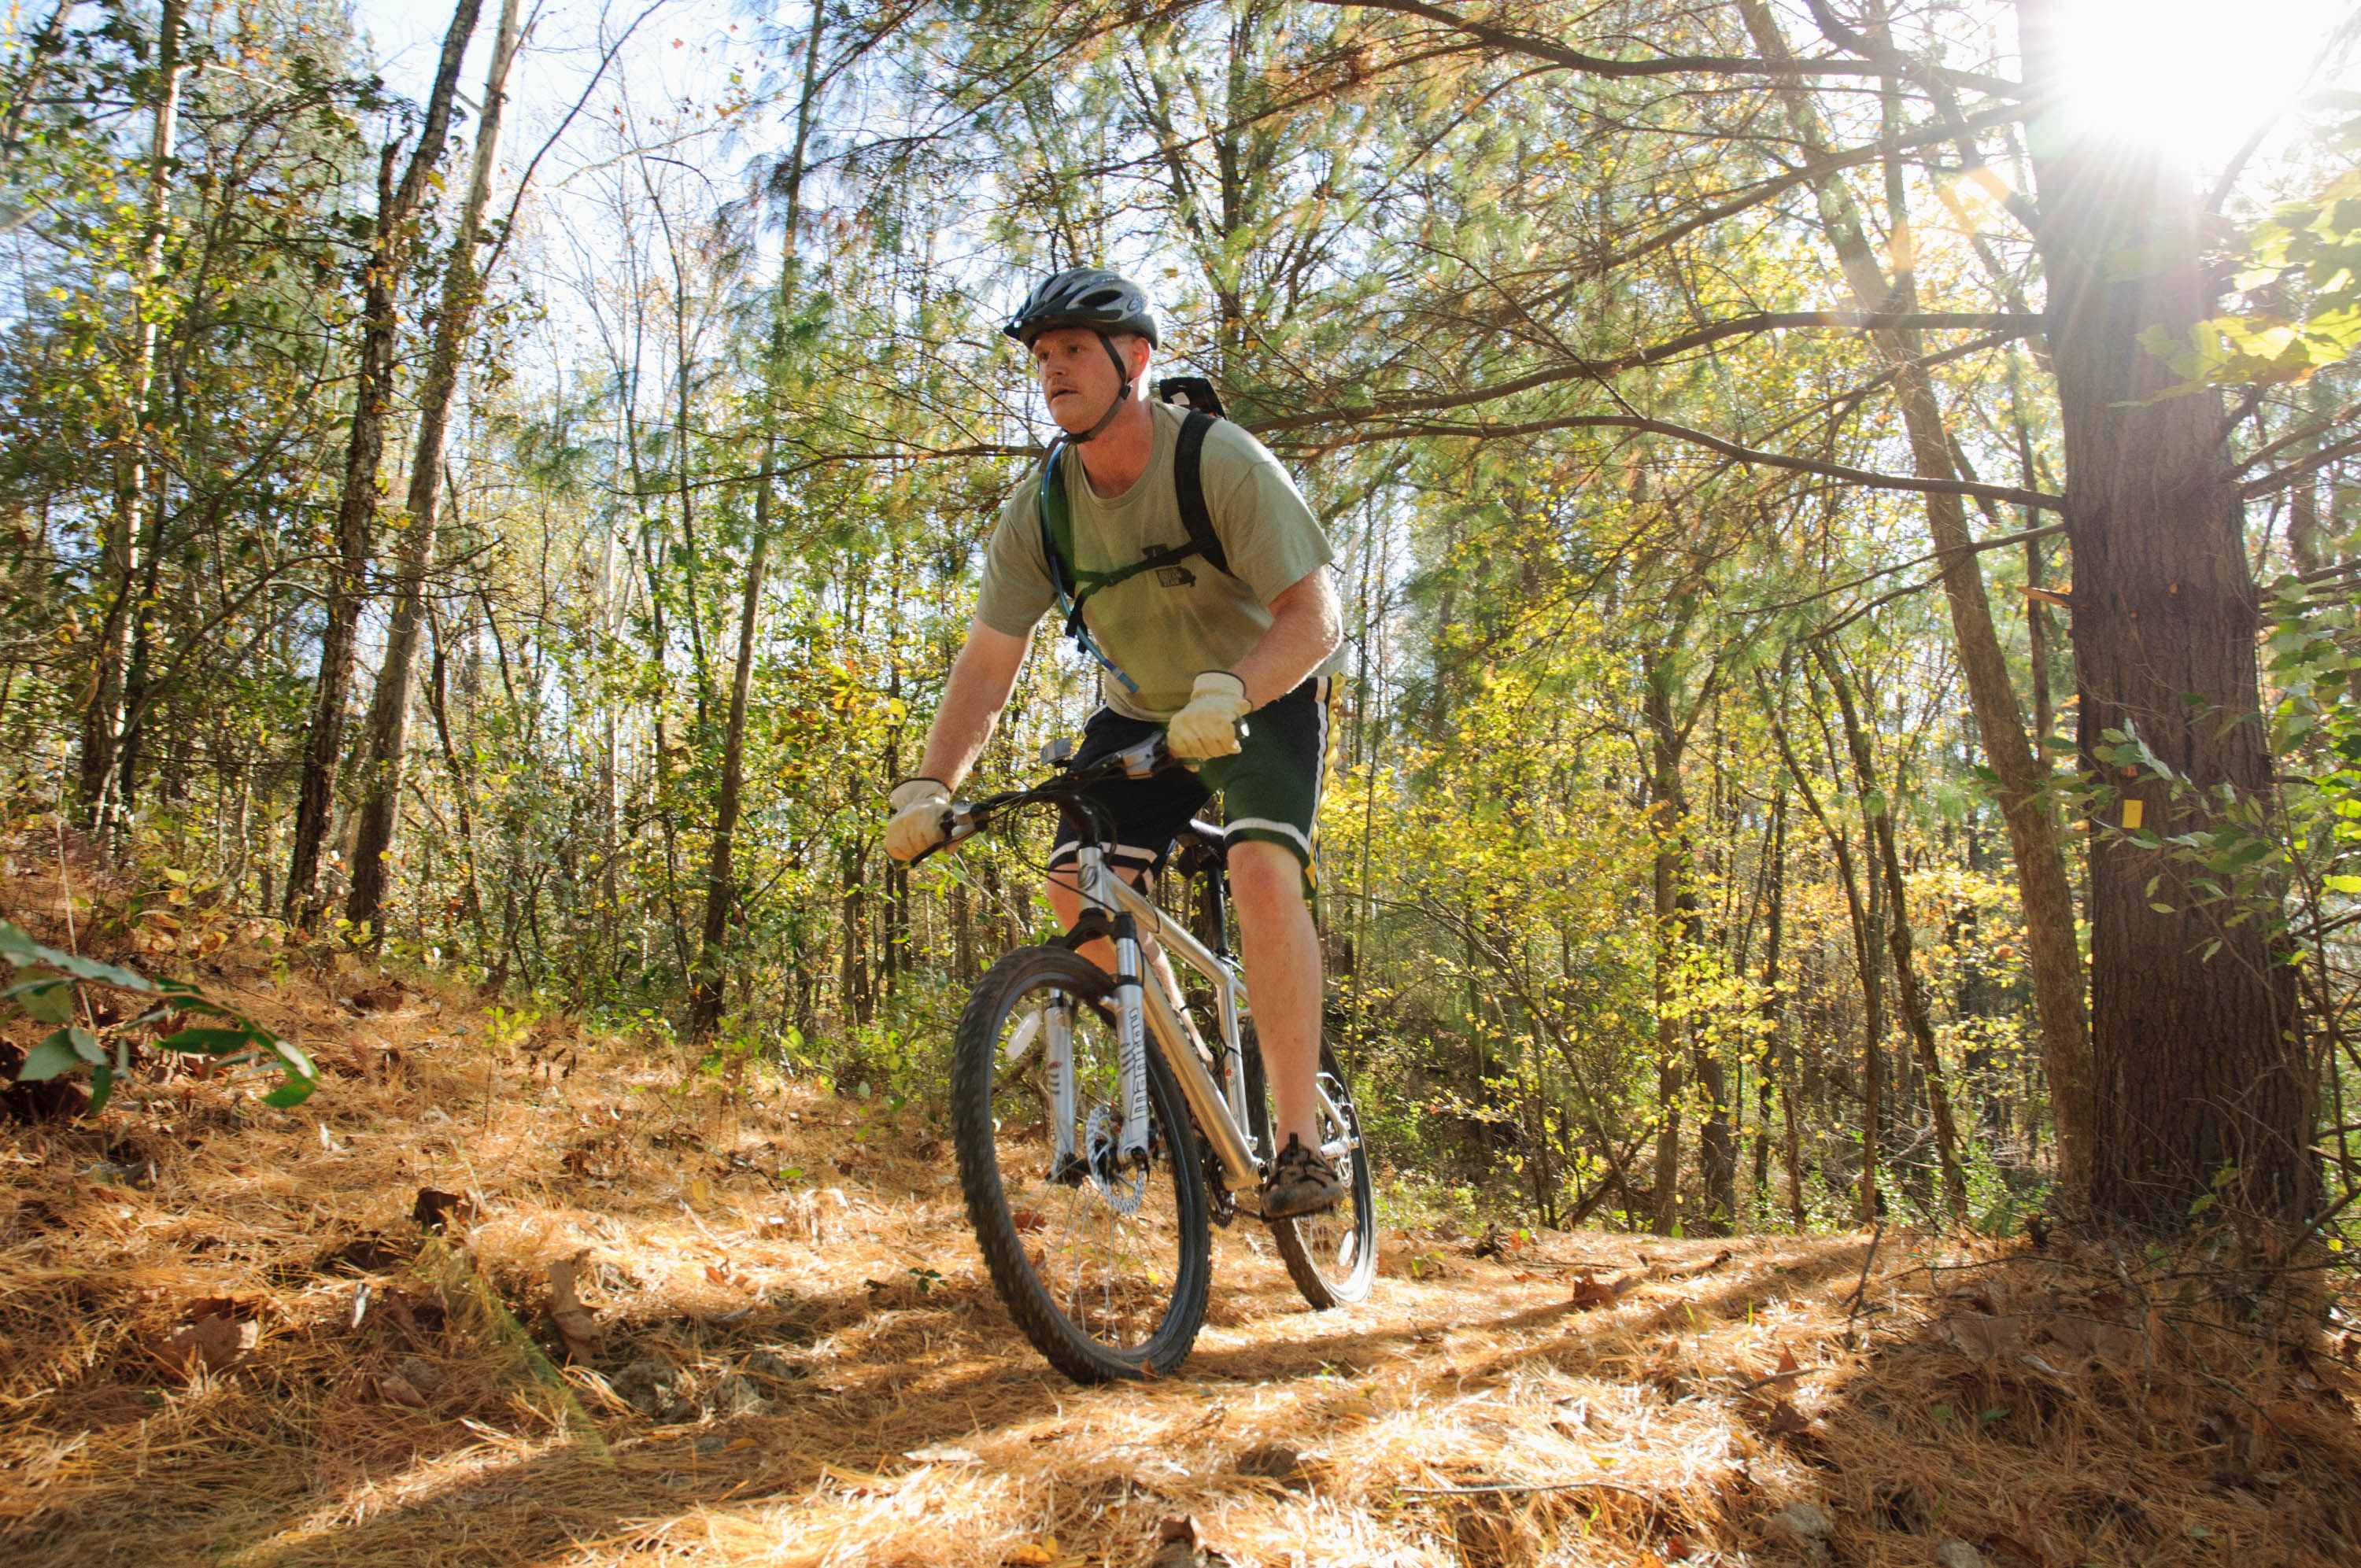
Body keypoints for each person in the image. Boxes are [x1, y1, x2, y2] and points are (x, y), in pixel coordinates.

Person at [883, 267, 1347, 1219]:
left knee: (1263, 873)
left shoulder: (1217, 461)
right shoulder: (1041, 508)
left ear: (1133, 358)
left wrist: (1238, 687)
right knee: (1076, 885)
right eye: (1041, 356)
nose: (1052, 371)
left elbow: (1317, 615)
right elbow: (986, 663)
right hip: (1141, 711)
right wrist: (929, 784)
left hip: (1262, 689)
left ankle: (1300, 1143)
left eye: (1072, 351)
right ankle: (1182, 1082)